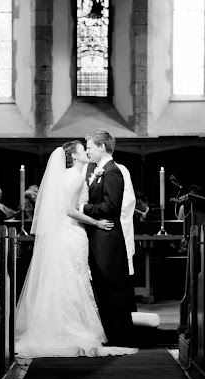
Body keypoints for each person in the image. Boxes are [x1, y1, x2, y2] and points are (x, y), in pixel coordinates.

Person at [14, 141, 138, 358]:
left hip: (69, 232)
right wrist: (96, 222)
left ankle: (64, 327)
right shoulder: (77, 177)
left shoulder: (70, 175)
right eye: (83, 149)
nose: (86, 151)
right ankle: (73, 328)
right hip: (73, 231)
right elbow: (69, 210)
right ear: (74, 155)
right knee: (75, 277)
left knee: (71, 278)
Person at [82, 129, 137, 346]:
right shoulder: (102, 170)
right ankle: (112, 335)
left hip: (108, 240)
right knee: (105, 291)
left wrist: (83, 208)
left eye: (90, 147)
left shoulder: (113, 171)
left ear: (102, 146)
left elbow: (111, 206)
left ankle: (120, 338)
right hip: (100, 239)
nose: (87, 151)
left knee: (112, 290)